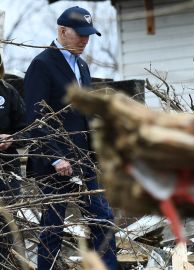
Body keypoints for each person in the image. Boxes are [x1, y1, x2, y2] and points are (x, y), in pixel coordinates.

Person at [23, 6, 117, 269]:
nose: (86, 40)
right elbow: (36, 117)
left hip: (84, 161)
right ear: (63, 31)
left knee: (102, 219)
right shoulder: (42, 65)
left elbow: (85, 116)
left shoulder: (82, 67)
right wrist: (56, 158)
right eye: (81, 34)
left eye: (89, 35)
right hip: (55, 163)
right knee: (53, 227)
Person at [0, 52, 27, 268]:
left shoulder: (8, 92)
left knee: (8, 226)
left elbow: (26, 130)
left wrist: (13, 138)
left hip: (7, 170)